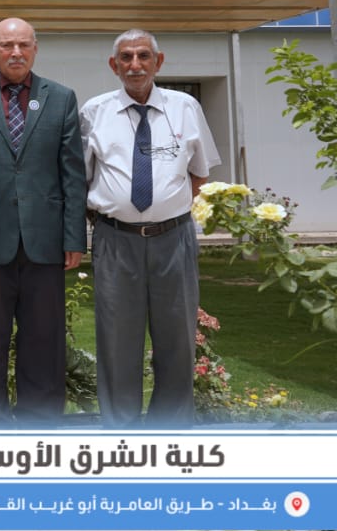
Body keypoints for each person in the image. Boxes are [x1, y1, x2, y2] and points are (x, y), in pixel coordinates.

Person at [0, 17, 86, 426]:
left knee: (44, 338)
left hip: (46, 242)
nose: (16, 52)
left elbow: (72, 173)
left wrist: (74, 237)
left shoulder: (61, 98)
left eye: (24, 45)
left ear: (35, 49)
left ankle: (39, 423)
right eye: (7, 45)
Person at [80, 29, 220, 428]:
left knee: (177, 335)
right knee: (116, 338)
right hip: (115, 240)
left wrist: (166, 209)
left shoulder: (185, 107)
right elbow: (81, 179)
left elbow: (199, 175)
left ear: (158, 62)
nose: (135, 65)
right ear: (114, 65)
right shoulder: (94, 112)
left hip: (174, 239)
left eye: (143, 56)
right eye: (126, 57)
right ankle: (120, 429)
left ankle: (170, 428)